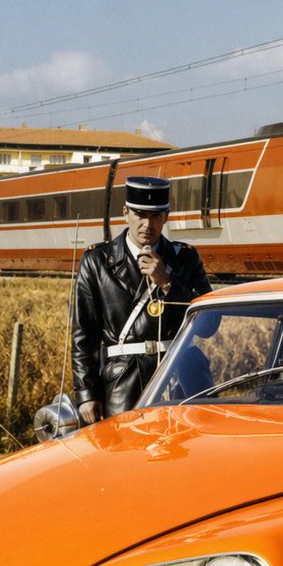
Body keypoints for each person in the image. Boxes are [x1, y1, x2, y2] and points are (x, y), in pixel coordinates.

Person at [72, 175, 211, 422]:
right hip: (124, 380)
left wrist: (167, 282)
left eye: (156, 216)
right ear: (126, 213)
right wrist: (86, 394)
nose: (148, 224)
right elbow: (84, 334)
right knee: (125, 452)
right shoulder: (97, 262)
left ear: (166, 216)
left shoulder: (185, 258)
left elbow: (210, 326)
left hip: (182, 376)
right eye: (140, 215)